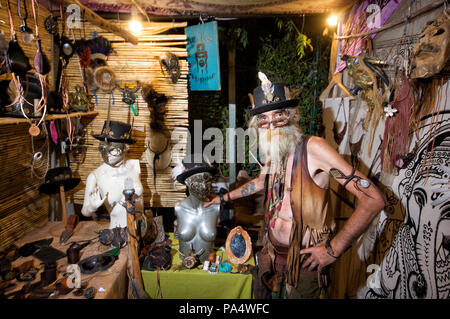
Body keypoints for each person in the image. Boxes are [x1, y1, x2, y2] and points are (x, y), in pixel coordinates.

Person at [204, 72, 386, 299]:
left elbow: (373, 198)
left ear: (293, 115)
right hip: (271, 255)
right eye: (263, 119)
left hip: (305, 264)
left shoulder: (314, 149)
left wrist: (333, 249)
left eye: (278, 115)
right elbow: (260, 183)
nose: (271, 125)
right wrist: (222, 199)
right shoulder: (276, 152)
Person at [81, 120, 143, 229]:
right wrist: (92, 207)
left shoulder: (134, 166)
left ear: (125, 148)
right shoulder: (96, 176)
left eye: (113, 150)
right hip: (118, 230)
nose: (107, 155)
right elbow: (85, 211)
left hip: (141, 227)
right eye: (103, 149)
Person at [173, 155, 220, 262]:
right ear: (187, 182)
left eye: (207, 180)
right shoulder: (179, 208)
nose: (203, 185)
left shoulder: (215, 208)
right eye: (198, 181)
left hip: (208, 261)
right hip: (184, 261)